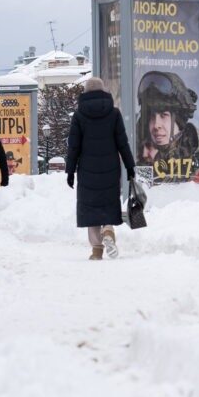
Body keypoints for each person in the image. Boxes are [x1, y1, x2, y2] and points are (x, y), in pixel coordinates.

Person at [67, 77, 137, 261]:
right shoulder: (114, 113)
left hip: (87, 169)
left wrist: (70, 171)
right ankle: (108, 231)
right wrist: (130, 166)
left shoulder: (79, 115)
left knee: (90, 207)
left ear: (86, 92)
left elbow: (73, 146)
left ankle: (97, 250)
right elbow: (123, 143)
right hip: (110, 168)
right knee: (108, 203)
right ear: (103, 90)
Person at [135, 71, 199, 180]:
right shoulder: (139, 153)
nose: (156, 125)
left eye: (163, 115)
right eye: (152, 117)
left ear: (179, 122)